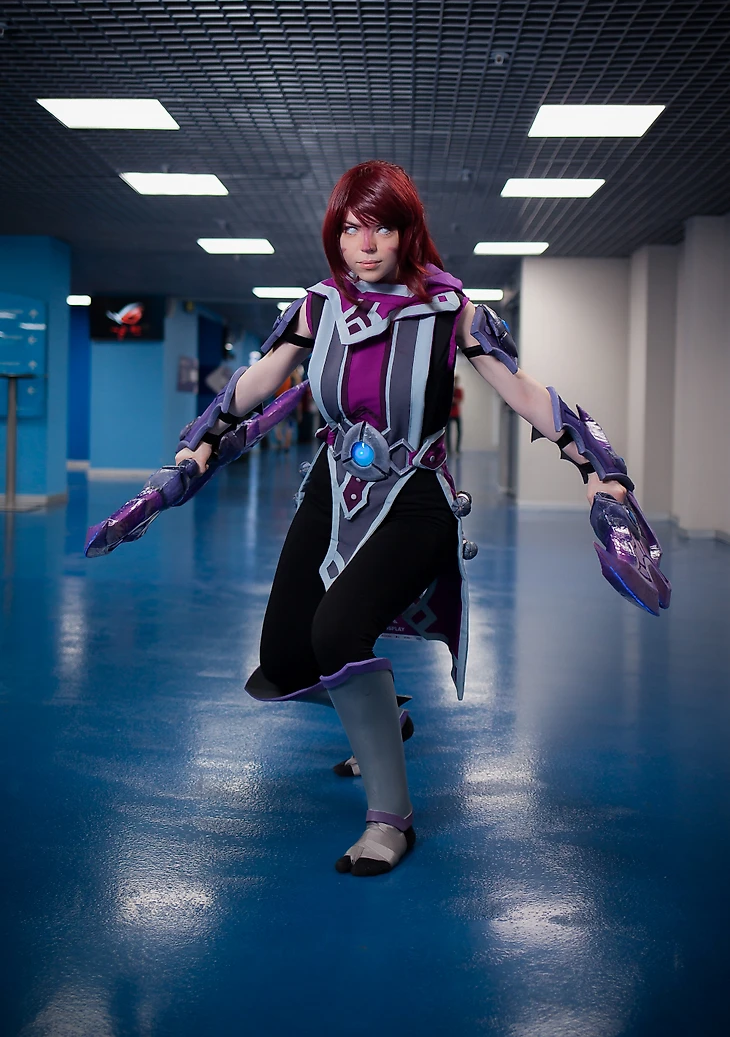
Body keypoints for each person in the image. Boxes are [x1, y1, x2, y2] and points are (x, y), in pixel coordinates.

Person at [175, 160, 631, 877]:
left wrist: (597, 466)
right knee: (286, 659)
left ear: (406, 232)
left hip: (416, 494)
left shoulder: (451, 308)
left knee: (337, 632)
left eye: (381, 227)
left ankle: (391, 818)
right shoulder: (319, 306)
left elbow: (522, 392)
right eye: (351, 228)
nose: (365, 244)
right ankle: (385, 716)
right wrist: (204, 435)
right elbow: (261, 378)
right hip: (333, 488)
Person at [448, 374, 464, 453]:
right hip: (449, 414)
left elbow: (459, 400)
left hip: (457, 413)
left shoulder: (459, 390)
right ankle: (449, 450)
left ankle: (457, 449)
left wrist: (454, 400)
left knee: (459, 431)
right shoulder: (449, 390)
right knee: (448, 433)